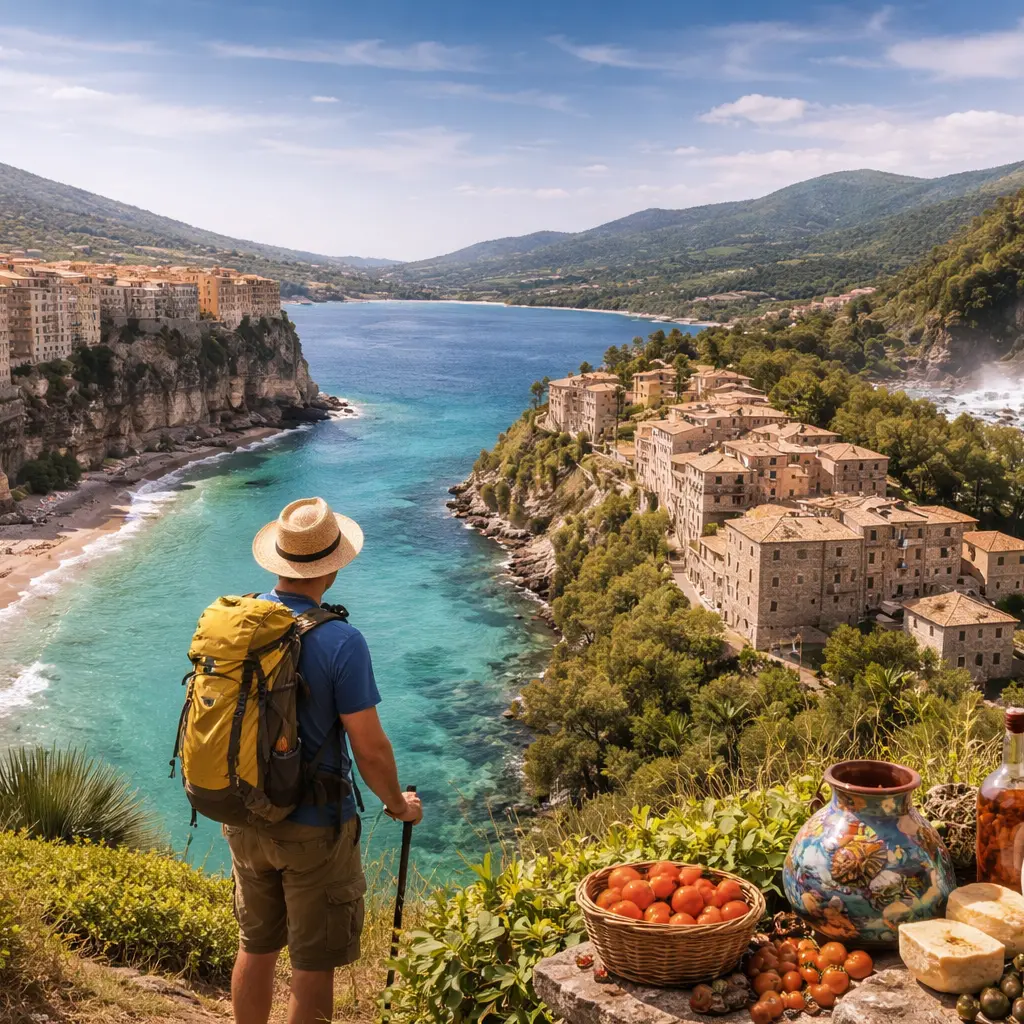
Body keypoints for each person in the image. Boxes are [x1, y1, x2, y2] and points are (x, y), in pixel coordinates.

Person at [225, 496, 422, 1024]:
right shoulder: (341, 640)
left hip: (243, 815)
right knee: (313, 963)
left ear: (280, 563)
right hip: (313, 827)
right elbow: (369, 746)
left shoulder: (239, 626)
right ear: (331, 569)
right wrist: (398, 805)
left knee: (256, 944)